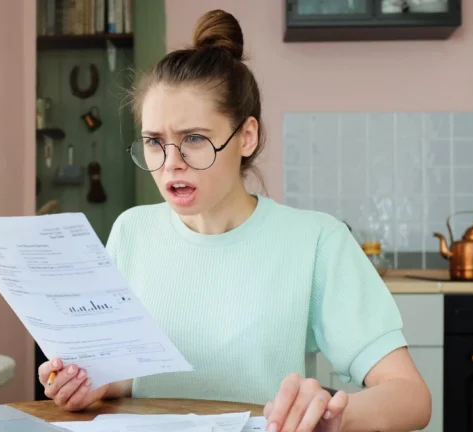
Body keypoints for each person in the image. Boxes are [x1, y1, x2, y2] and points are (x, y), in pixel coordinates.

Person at [38, 9, 431, 432]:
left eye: (194, 139)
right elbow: (132, 376)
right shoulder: (131, 232)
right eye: (155, 142)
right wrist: (96, 382)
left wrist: (332, 415)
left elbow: (411, 397)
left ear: (247, 136)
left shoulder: (315, 241)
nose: (171, 164)